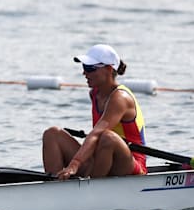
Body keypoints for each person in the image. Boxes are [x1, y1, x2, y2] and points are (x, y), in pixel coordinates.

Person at [43, 44, 147, 180]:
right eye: (84, 67)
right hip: (102, 157)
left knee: (107, 137)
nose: (84, 73)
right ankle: (55, 185)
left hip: (129, 163)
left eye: (90, 68)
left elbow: (97, 133)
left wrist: (74, 165)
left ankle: (90, 189)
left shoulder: (120, 98)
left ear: (109, 69)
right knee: (52, 134)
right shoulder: (95, 93)